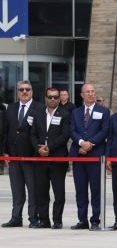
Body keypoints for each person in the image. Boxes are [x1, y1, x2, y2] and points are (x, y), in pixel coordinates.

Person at [69, 83, 110, 230]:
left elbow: (104, 131)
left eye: (93, 91)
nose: (91, 94)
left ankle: (95, 220)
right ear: (82, 94)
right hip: (79, 156)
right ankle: (82, 219)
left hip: (95, 156)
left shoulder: (104, 111)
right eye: (88, 92)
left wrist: (90, 143)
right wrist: (80, 142)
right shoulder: (76, 112)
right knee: (80, 190)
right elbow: (72, 130)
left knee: (96, 190)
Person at [2, 80, 42, 228]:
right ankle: (16, 217)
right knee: (17, 190)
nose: (24, 92)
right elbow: (6, 131)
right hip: (13, 156)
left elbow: (41, 132)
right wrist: (5, 152)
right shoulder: (11, 108)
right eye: (21, 89)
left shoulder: (39, 108)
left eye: (27, 89)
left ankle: (33, 218)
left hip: (31, 157)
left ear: (32, 91)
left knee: (33, 190)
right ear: (17, 92)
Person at [30, 87, 71, 229]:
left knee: (59, 192)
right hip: (40, 159)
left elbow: (65, 136)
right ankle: (44, 220)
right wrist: (38, 148)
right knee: (41, 191)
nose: (52, 99)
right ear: (45, 98)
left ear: (59, 99)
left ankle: (57, 220)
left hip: (58, 159)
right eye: (50, 97)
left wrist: (49, 148)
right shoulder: (38, 113)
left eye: (55, 97)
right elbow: (32, 134)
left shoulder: (65, 114)